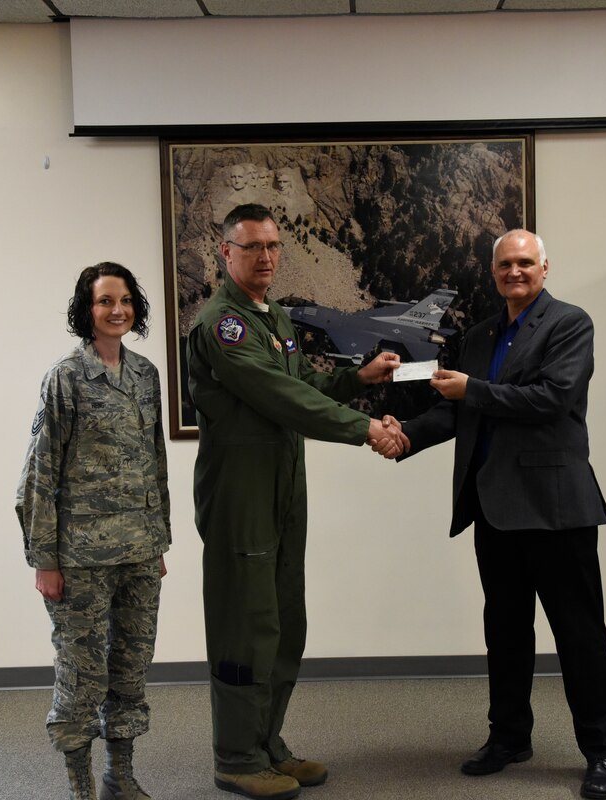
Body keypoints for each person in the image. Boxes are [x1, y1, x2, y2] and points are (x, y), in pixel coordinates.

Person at [383, 230, 606, 799]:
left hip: (556, 510)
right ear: (493, 273)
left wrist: (476, 391)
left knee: (579, 634)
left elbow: (552, 398)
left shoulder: (569, 323)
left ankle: (601, 751)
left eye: (524, 263)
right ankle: (509, 737)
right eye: (504, 265)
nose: (514, 272)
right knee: (506, 633)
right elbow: (460, 411)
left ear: (544, 268)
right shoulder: (482, 335)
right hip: (493, 509)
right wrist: (404, 436)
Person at [187, 203, 402, 800]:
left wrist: (359, 380)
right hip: (241, 494)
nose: (266, 258)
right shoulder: (221, 325)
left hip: (283, 485)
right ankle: (235, 755)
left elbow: (303, 380)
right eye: (252, 246)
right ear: (225, 253)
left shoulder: (272, 315)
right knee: (245, 625)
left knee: (284, 620)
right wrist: (365, 430)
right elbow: (278, 394)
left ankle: (267, 744)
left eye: (274, 246)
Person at [16, 262, 171, 800]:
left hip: (138, 552)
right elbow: (40, 473)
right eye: (106, 301)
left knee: (129, 670)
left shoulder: (146, 375)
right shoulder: (66, 377)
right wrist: (44, 559)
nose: (117, 310)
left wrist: (158, 543)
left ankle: (119, 776)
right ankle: (80, 786)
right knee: (81, 677)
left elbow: (155, 463)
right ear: (87, 309)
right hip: (79, 558)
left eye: (125, 299)